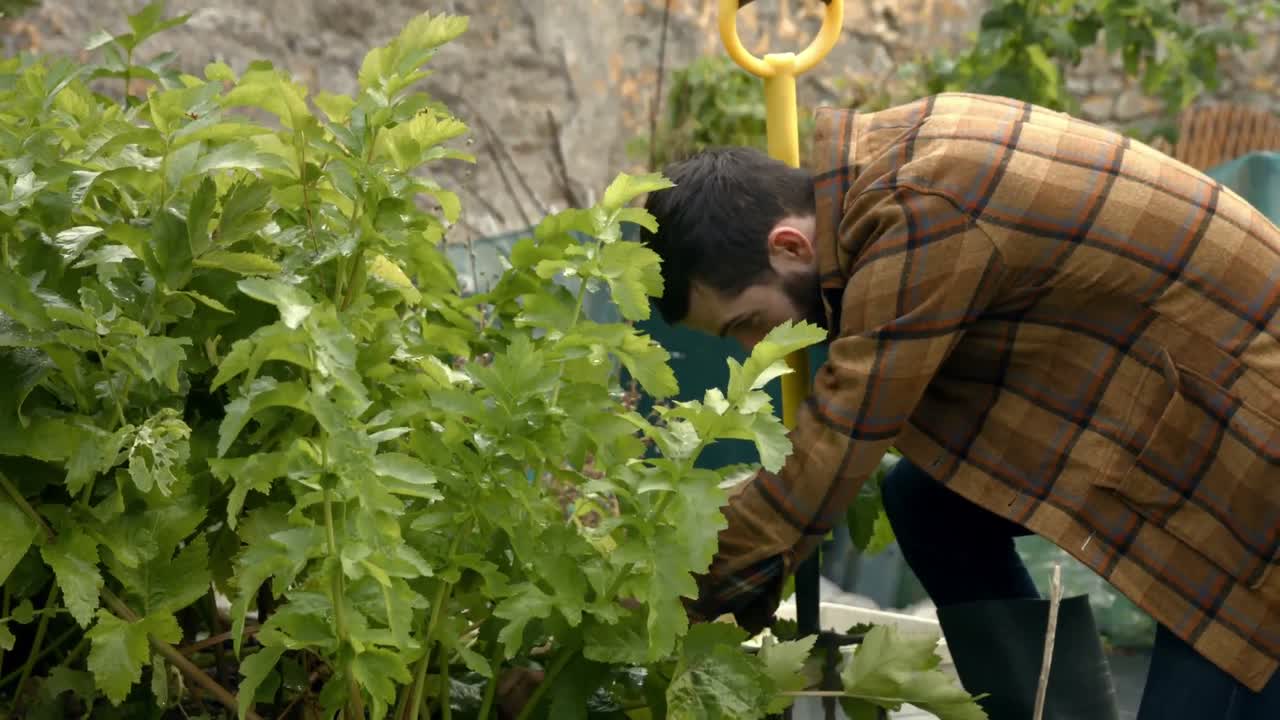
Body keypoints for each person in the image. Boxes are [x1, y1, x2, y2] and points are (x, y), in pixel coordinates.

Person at [638, 92, 1280, 720]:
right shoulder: (889, 173)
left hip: (1253, 465)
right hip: (1191, 411)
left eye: (746, 322)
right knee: (928, 507)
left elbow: (841, 435)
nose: (757, 347)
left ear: (790, 248)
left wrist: (676, 593)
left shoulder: (925, 208)